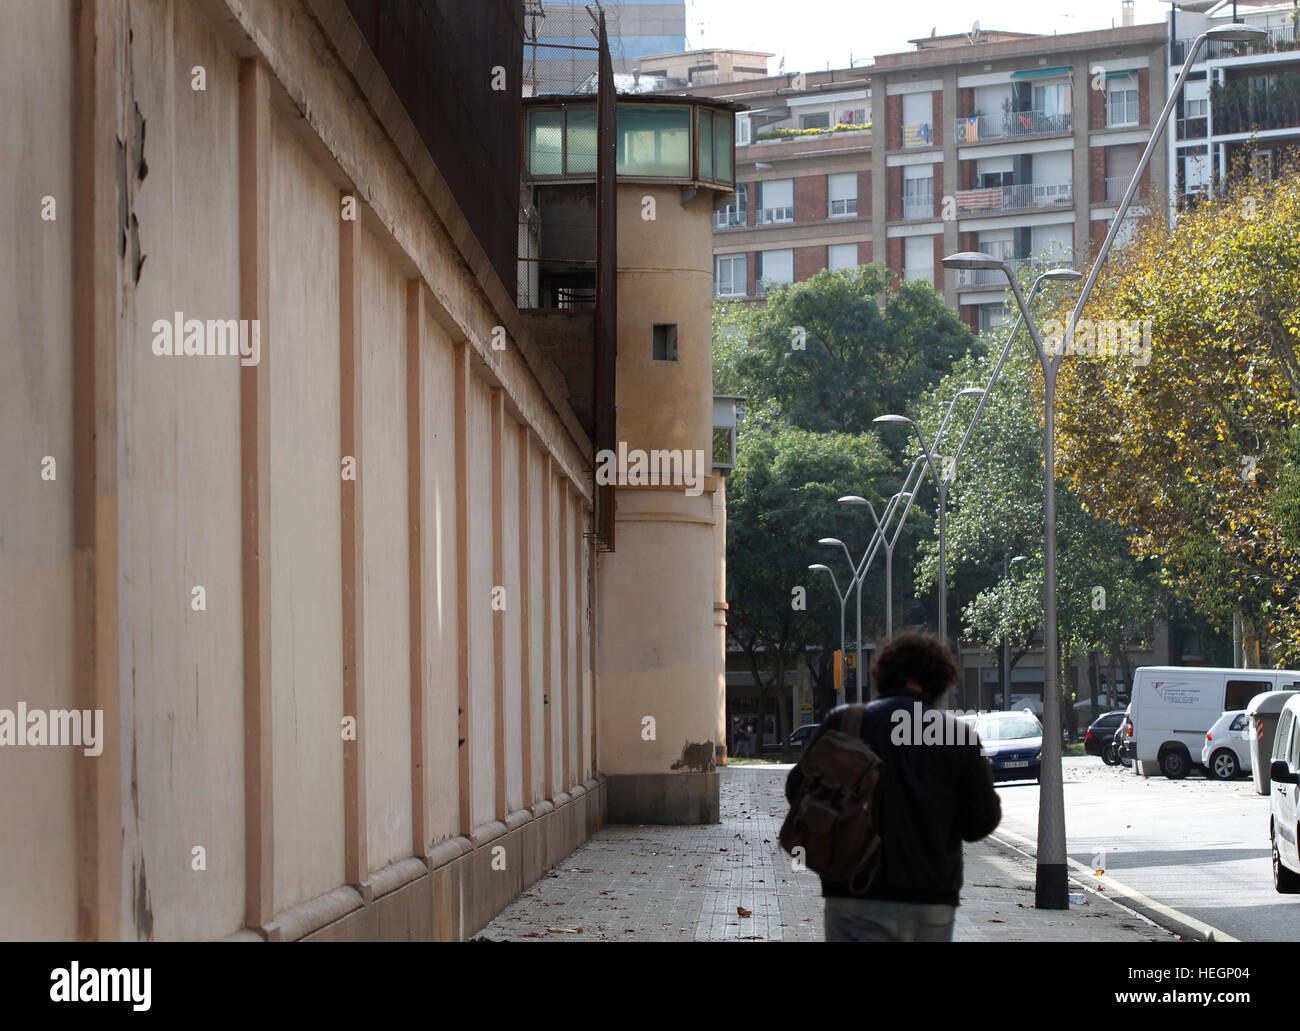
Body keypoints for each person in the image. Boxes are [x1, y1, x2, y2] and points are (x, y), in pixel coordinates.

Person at [787, 630, 1001, 942]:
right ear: (940, 679)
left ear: (883, 673)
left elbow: (797, 790)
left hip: (853, 894)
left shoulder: (847, 724)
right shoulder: (959, 735)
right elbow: (981, 822)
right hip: (931, 899)